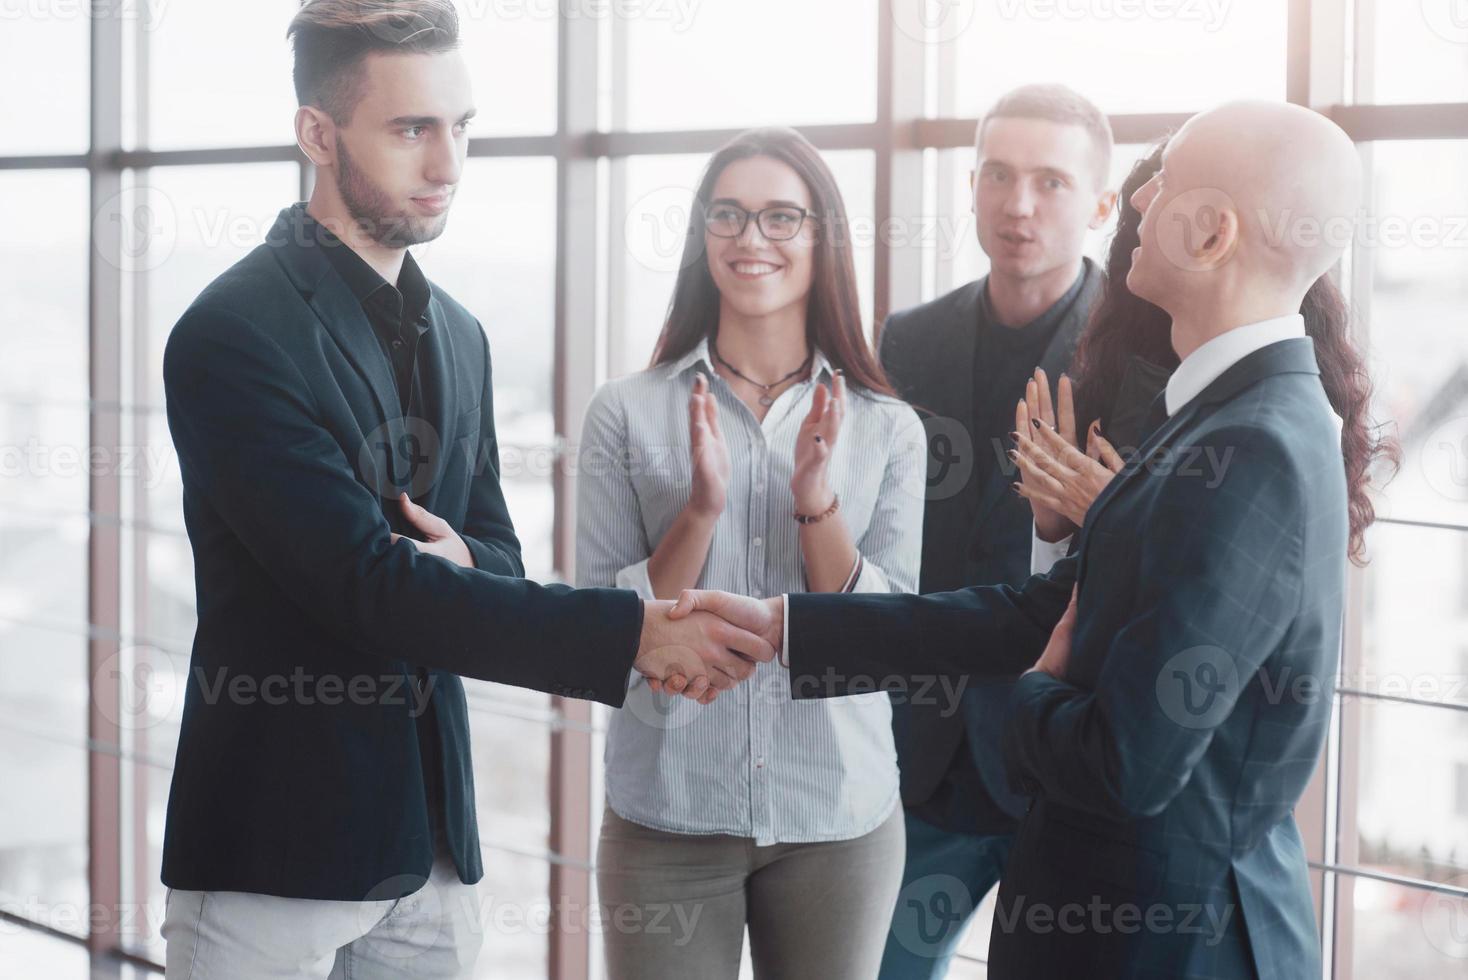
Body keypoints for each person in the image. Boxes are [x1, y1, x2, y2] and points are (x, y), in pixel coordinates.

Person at [671, 100, 1380, 978]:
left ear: (1210, 235)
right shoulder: (1222, 417)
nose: (1138, 199)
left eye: (1161, 183)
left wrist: (1031, 691)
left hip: (1164, 946)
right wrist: (789, 627)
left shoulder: (1253, 446)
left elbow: (1127, 760)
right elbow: (1039, 610)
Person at [157, 3, 770, 977]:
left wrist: (459, 563)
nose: (447, 162)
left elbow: (492, 555)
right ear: (318, 132)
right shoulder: (231, 333)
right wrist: (634, 633)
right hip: (273, 849)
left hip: (433, 850)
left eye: (460, 127)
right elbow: (364, 586)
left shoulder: (463, 334)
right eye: (411, 129)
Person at [577, 126, 926, 980]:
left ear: (820, 239)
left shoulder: (889, 427)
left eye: (780, 217)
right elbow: (598, 629)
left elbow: (883, 641)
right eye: (727, 215)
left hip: (836, 815)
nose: (749, 238)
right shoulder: (625, 410)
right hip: (668, 809)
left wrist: (816, 505)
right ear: (703, 236)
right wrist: (700, 509)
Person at [872, 84, 1114, 978]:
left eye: (1051, 182)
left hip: (1059, 756)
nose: (1019, 205)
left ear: (1100, 205)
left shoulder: (1138, 356)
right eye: (999, 177)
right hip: (920, 750)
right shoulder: (905, 341)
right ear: (970, 186)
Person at [1017, 141, 1394, 576]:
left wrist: (1115, 517)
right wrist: (1054, 527)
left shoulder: (1278, 415)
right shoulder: (1121, 373)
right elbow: (1062, 603)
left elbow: (1245, 591)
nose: (1145, 207)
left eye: (1164, 195)